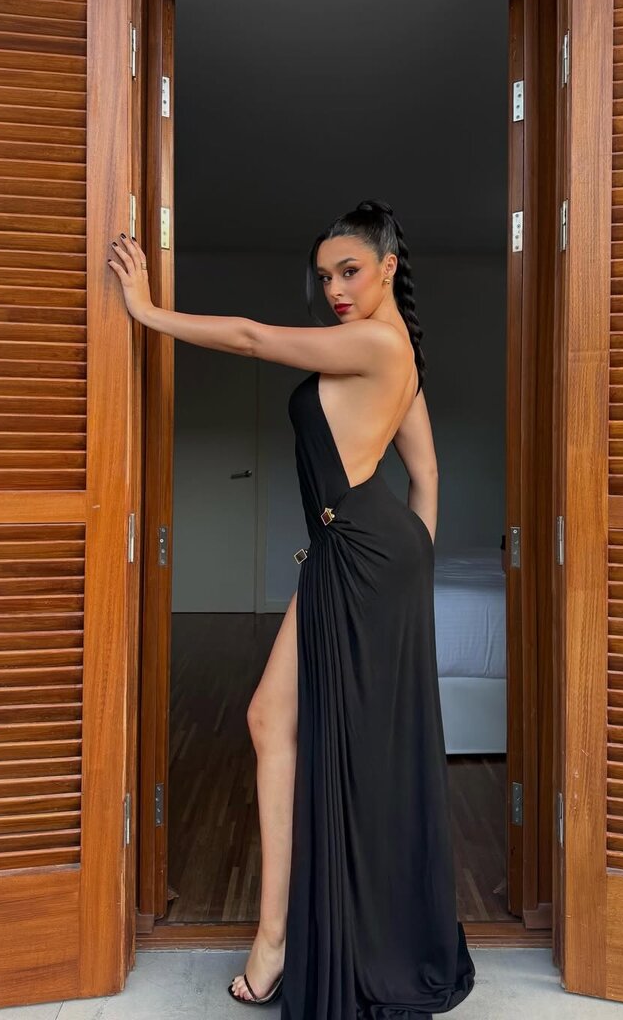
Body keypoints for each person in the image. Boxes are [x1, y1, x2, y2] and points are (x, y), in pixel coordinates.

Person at [108, 198, 475, 1018]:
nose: (335, 289)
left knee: (287, 726)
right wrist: (404, 566)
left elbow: (249, 337)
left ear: (388, 267)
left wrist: (146, 311)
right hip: (361, 554)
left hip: (363, 558)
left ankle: (282, 943)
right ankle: (278, 940)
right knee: (273, 721)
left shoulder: (378, 344)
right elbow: (427, 479)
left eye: (349, 271)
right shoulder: (398, 354)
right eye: (324, 277)